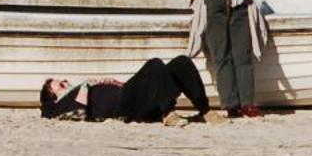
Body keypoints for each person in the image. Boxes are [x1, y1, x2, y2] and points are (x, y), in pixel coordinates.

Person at [39, 58, 210, 123]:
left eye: (64, 81)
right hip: (124, 106)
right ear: (55, 97)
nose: (66, 82)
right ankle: (167, 113)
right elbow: (75, 113)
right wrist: (86, 84)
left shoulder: (76, 91)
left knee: (181, 63)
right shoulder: (58, 106)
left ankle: (205, 110)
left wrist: (114, 83)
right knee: (154, 65)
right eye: (61, 85)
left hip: (129, 94)